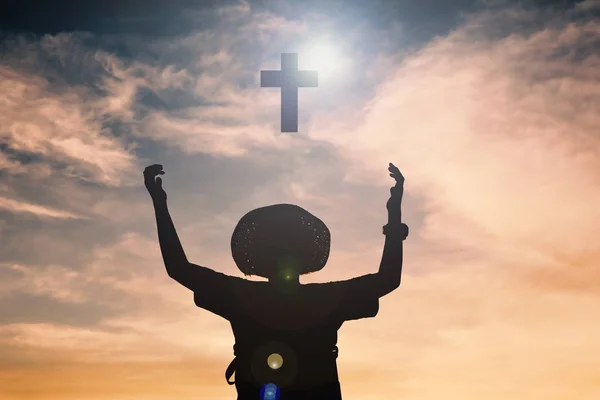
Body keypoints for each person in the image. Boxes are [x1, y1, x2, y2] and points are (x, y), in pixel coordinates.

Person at [144, 162, 409, 400]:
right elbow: (387, 280)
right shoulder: (326, 300)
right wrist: (393, 216)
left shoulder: (241, 296)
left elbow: (179, 269)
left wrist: (159, 203)